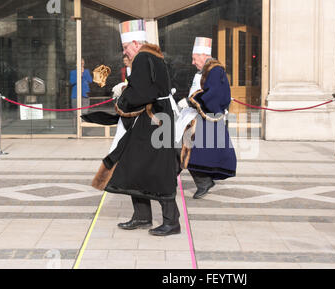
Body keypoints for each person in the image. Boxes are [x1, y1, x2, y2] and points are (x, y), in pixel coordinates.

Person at [92, 19, 180, 237]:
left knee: (157, 169)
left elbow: (141, 93)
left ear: (135, 43)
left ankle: (171, 221)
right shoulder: (155, 56)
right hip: (158, 118)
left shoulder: (142, 57)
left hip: (153, 120)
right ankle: (142, 216)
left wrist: (123, 98)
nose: (125, 53)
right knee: (138, 165)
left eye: (125, 48)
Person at [180, 37, 237, 199]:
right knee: (188, 152)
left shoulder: (215, 70)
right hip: (199, 117)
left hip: (207, 119)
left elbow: (214, 95)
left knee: (191, 153)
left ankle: (204, 182)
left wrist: (192, 101)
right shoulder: (206, 70)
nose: (192, 62)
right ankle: (203, 181)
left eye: (194, 58)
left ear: (203, 55)